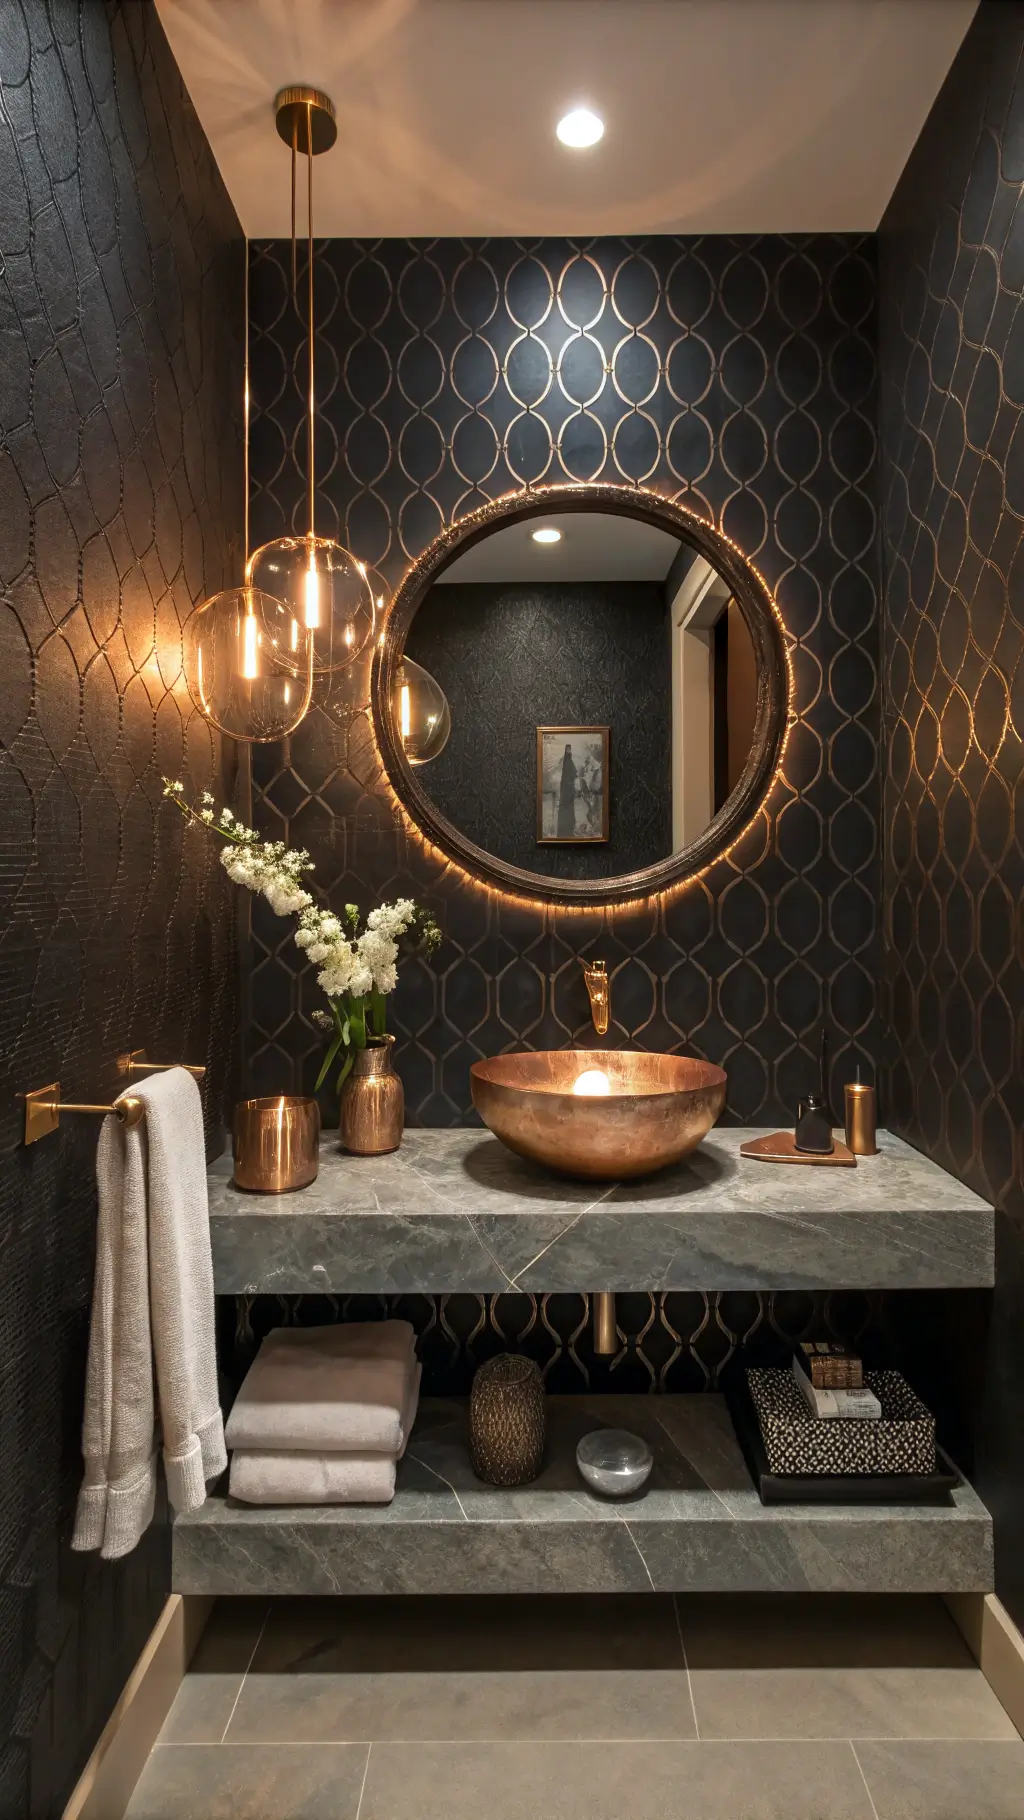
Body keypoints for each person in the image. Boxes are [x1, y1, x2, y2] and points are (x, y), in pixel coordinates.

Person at [556, 741, 577, 837]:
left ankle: (569, 831)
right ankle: (565, 832)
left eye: (570, 749)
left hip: (569, 788)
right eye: (567, 749)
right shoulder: (564, 761)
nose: (569, 751)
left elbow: (574, 773)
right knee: (565, 809)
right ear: (565, 750)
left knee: (569, 809)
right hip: (566, 789)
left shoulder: (569, 761)